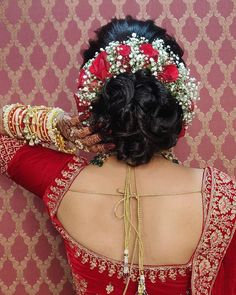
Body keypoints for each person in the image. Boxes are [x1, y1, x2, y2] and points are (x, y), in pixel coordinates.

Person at [0, 16, 235, 295]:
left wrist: (59, 125)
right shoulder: (224, 198)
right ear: (176, 105)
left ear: (94, 105)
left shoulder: (63, 185)